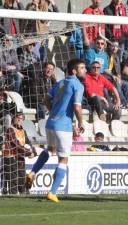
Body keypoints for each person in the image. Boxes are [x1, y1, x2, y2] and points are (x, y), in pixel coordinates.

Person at [26, 59, 86, 203]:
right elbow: (77, 107)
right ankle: (52, 192)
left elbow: (46, 99)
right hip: (63, 127)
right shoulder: (77, 84)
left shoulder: (59, 83)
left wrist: (53, 111)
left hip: (50, 124)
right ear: (74, 71)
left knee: (50, 149)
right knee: (63, 159)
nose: (85, 70)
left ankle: (32, 173)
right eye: (82, 68)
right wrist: (81, 122)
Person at [2, 113, 35, 195]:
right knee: (13, 183)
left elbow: (28, 143)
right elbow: (15, 145)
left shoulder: (23, 131)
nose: (20, 119)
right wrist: (28, 153)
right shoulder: (10, 130)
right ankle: (12, 201)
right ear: (14, 119)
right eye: (18, 118)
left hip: (20, 159)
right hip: (11, 158)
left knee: (23, 182)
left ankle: (25, 201)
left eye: (22, 118)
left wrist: (34, 152)